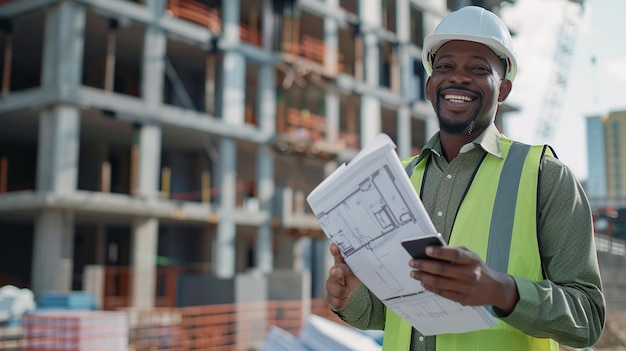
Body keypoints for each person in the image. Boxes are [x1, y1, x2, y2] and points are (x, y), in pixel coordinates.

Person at [324, 5, 605, 351]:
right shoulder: (399, 178)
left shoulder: (545, 176)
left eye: (478, 68)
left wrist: (501, 291)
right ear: (430, 87)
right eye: (445, 67)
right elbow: (391, 313)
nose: (458, 77)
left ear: (502, 90)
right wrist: (351, 296)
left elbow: (587, 318)